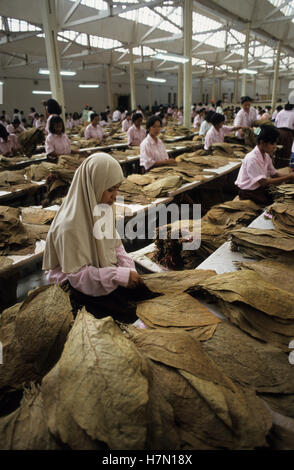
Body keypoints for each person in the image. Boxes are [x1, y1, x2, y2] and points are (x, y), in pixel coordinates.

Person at [42, 153, 145, 322]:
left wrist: (128, 268)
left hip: (96, 273)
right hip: (73, 284)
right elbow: (78, 277)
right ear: (93, 186)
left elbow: (116, 245)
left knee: (138, 292)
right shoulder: (68, 227)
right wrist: (117, 275)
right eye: (110, 189)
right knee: (122, 314)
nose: (115, 195)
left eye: (117, 188)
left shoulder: (102, 207)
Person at [235, 125, 294, 205]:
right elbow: (264, 182)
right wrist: (288, 177)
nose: (275, 146)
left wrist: (290, 176)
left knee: (281, 197)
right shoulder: (252, 158)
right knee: (270, 205)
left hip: (260, 188)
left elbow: (274, 174)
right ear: (262, 142)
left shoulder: (266, 155)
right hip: (248, 192)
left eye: (276, 143)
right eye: (272, 143)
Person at [274, 102, 294, 168]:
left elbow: (275, 124)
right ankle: (284, 168)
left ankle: (277, 166)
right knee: (286, 152)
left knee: (278, 152)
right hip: (288, 134)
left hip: (278, 133)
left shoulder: (281, 112)